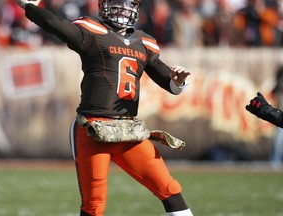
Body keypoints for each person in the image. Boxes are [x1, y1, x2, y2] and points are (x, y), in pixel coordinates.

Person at [14, 0, 193, 216]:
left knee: (170, 190)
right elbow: (55, 24)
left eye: (128, 4)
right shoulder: (91, 31)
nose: (123, 9)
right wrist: (30, 7)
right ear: (104, 5)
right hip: (93, 130)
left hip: (129, 133)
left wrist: (178, 81)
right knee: (93, 207)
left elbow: (170, 83)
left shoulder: (144, 42)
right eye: (117, 3)